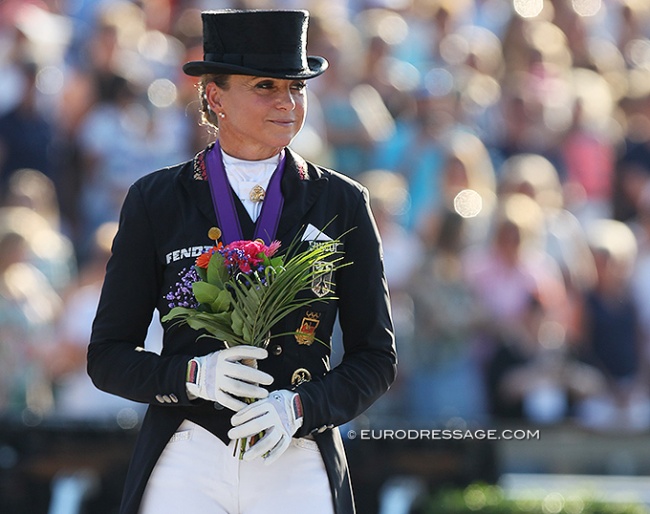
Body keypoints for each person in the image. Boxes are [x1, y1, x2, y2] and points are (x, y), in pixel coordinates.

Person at [87, 9, 397, 514]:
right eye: (265, 86)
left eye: (297, 87)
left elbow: (377, 359)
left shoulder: (343, 201)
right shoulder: (155, 199)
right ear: (214, 95)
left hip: (295, 451)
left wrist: (301, 407)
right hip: (188, 450)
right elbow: (107, 356)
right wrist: (190, 377)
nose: (287, 102)